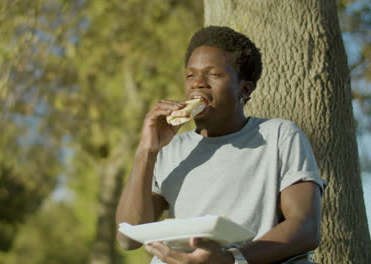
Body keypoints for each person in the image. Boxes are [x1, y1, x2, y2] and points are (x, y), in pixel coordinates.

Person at [115, 26, 324, 264]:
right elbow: (128, 239)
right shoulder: (169, 150)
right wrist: (146, 150)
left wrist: (230, 260)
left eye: (213, 74)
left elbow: (306, 227)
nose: (198, 84)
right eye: (191, 75)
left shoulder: (278, 135)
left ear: (244, 89)